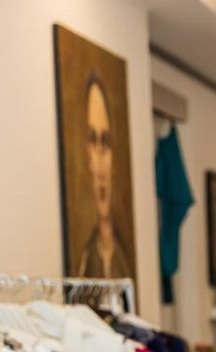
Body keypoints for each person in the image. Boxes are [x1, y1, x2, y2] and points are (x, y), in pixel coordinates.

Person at [74, 73, 133, 279]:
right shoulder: (84, 260)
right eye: (92, 140)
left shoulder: (123, 257)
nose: (100, 161)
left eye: (105, 142)